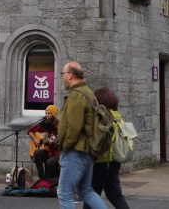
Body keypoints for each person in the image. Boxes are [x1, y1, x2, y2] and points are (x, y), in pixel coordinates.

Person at [55, 61, 107, 209]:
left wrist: (65, 146)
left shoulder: (77, 95)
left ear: (70, 75)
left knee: (64, 193)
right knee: (86, 191)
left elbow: (74, 127)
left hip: (75, 151)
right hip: (86, 150)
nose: (62, 77)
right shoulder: (87, 92)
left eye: (63, 73)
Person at [90, 88, 130, 209]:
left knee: (91, 195)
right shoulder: (117, 117)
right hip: (115, 160)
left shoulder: (102, 117)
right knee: (115, 195)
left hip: (101, 160)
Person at [28, 105, 60, 180]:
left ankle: (51, 182)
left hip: (55, 153)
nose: (47, 115)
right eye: (46, 113)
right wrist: (35, 139)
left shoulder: (59, 125)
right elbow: (30, 130)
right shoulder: (44, 123)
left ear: (54, 115)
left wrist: (48, 140)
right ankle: (42, 179)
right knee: (37, 153)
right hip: (46, 150)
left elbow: (57, 139)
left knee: (49, 162)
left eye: (49, 113)